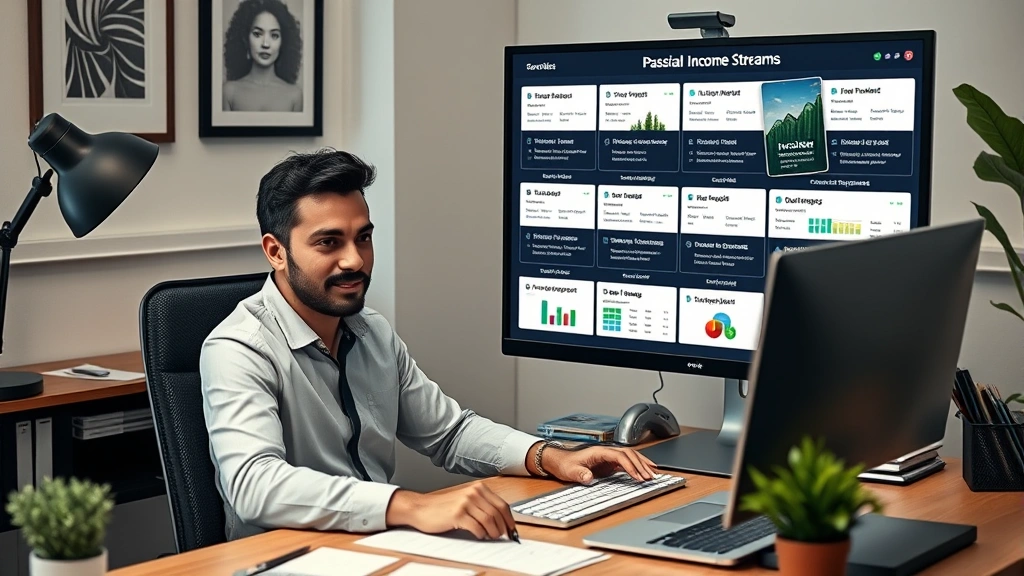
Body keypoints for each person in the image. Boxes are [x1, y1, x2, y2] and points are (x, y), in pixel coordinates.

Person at [200, 149, 659, 542]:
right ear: (275, 251)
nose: (354, 260)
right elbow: (254, 486)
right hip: (288, 561)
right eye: (328, 242)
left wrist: (549, 456)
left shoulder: (370, 331)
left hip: (378, 548)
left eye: (363, 237)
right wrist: (408, 506)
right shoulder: (238, 349)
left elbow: (449, 433)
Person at [222, 0, 303, 112]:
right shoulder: (229, 92)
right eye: (257, 34)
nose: (265, 44)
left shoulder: (295, 95)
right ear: (245, 39)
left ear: (283, 42)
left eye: (274, 35)